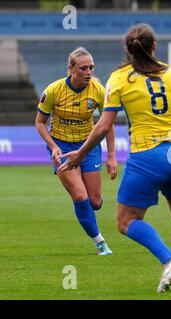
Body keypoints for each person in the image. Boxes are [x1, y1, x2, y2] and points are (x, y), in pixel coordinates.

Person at [59, 23, 171, 292]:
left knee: (126, 221)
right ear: (154, 47)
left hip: (148, 154)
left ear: (128, 49)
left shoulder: (119, 78)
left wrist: (81, 153)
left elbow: (102, 126)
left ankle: (170, 258)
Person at [35, 47, 117, 256]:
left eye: (91, 67)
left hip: (88, 147)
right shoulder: (53, 91)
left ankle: (90, 210)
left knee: (95, 202)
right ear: (70, 68)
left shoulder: (98, 90)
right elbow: (40, 123)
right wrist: (53, 146)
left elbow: (108, 124)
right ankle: (100, 243)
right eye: (83, 68)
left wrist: (112, 157)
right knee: (80, 196)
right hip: (62, 149)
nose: (88, 72)